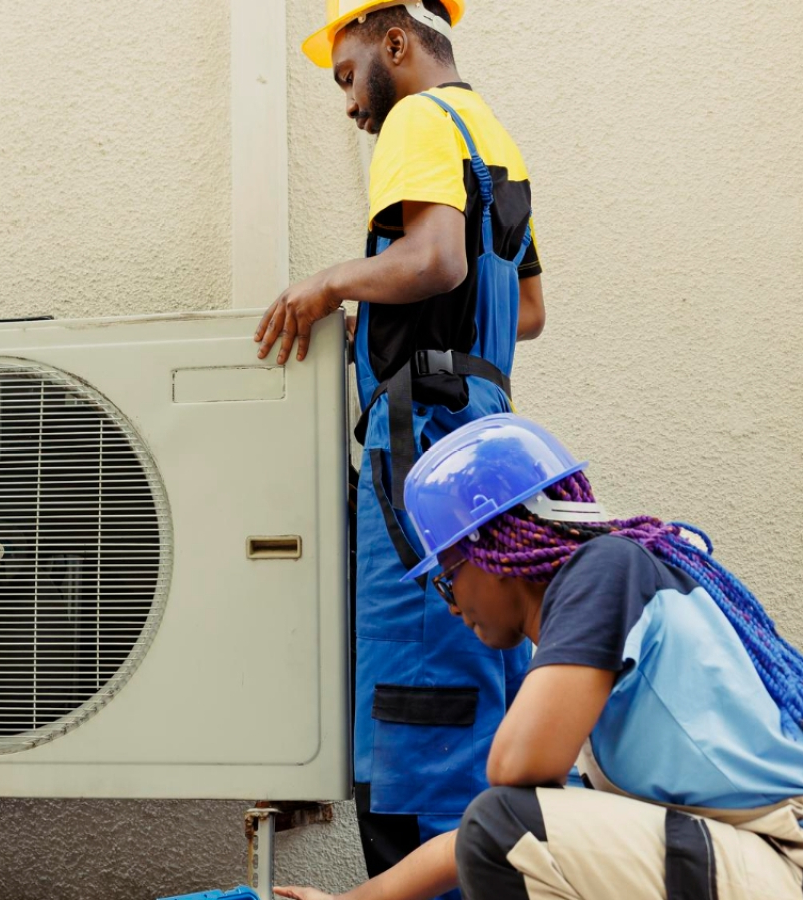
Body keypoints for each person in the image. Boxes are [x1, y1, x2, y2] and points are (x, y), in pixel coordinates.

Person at [275, 414, 803, 900]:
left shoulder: (604, 570)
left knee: (509, 829)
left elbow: (510, 781)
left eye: (446, 575)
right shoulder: (613, 650)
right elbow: (498, 833)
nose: (449, 604)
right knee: (519, 832)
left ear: (493, 547)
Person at [257, 1, 544, 888]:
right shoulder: (492, 135)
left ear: (395, 42)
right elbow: (527, 309)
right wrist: (403, 326)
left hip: (423, 442)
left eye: (348, 75)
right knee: (481, 681)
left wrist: (330, 284)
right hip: (486, 433)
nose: (350, 103)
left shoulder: (419, 116)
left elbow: (437, 261)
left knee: (417, 705)